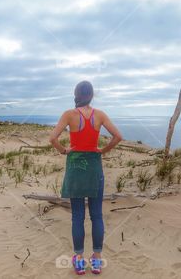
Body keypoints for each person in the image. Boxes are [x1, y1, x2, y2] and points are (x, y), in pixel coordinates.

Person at [49, 80, 122, 275]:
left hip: (75, 166)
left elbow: (52, 138)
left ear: (76, 94)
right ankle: (96, 260)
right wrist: (102, 150)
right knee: (97, 215)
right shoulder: (100, 115)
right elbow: (118, 136)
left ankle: (79, 261)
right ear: (91, 95)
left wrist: (64, 150)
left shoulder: (69, 115)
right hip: (94, 167)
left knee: (78, 217)